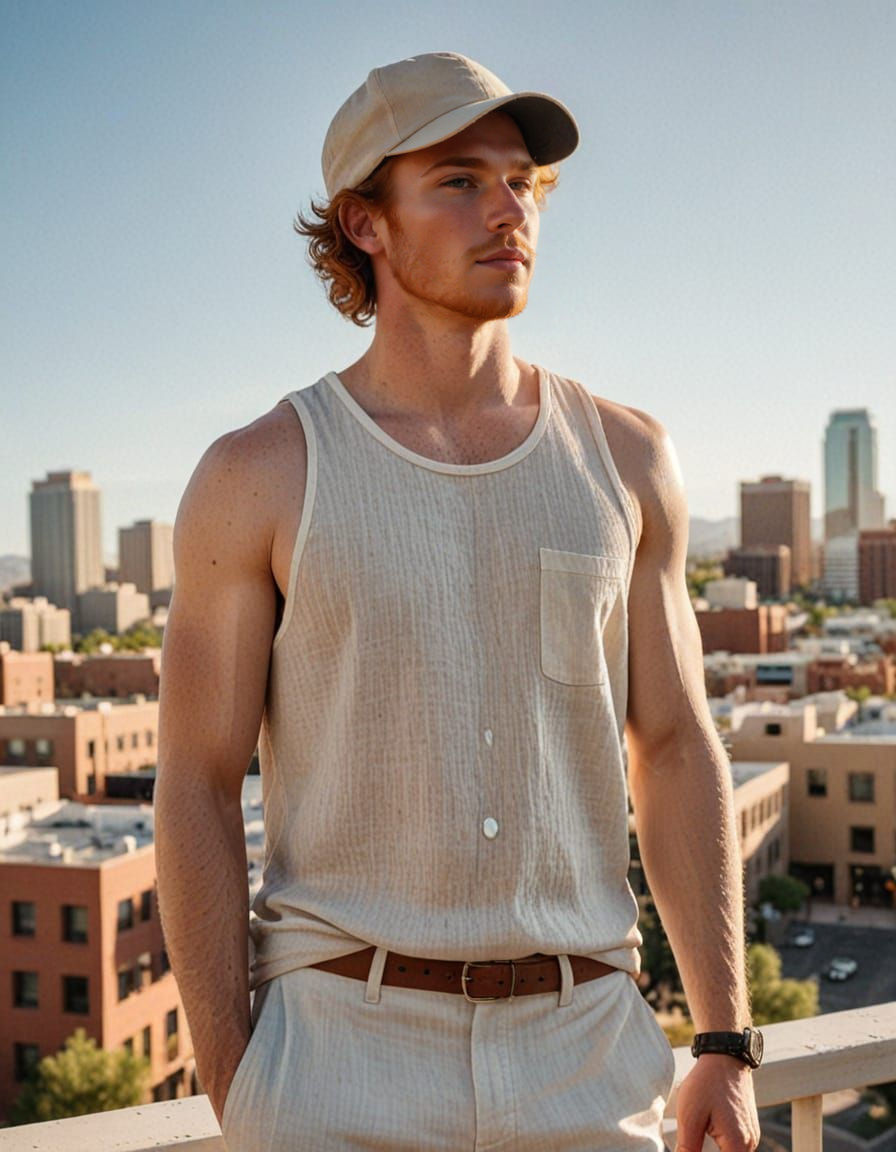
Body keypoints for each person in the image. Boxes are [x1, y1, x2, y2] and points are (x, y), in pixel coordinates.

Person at [155, 51, 762, 1152]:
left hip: (589, 1065)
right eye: (458, 181)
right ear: (365, 224)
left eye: (521, 182)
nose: (507, 210)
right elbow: (195, 784)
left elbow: (673, 746)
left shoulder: (627, 459)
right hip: (335, 1066)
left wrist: (723, 1039)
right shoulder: (258, 475)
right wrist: (239, 1084)